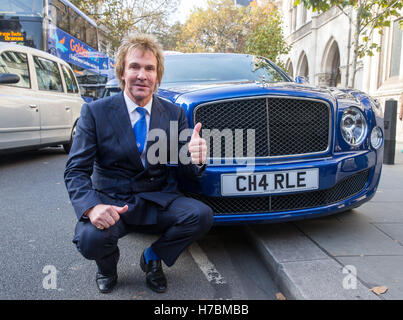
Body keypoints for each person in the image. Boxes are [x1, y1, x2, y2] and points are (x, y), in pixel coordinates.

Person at [64, 33, 213, 294]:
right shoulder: (95, 112)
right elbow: (76, 170)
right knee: (90, 239)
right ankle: (107, 267)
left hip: (157, 199)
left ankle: (153, 258)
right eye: (134, 67)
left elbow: (187, 173)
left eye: (149, 68)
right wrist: (91, 207)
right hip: (112, 200)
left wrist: (195, 158)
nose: (142, 75)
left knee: (201, 215)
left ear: (157, 76)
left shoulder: (174, 113)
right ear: (122, 72)